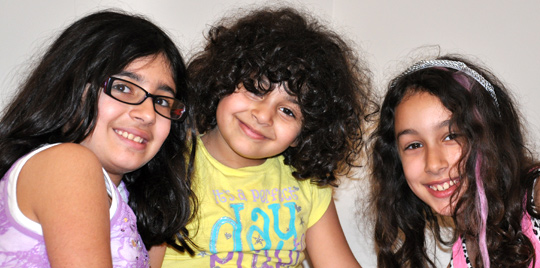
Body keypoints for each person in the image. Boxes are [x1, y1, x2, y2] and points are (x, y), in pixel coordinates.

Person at [159, 6, 373, 268]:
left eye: (287, 111)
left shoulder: (306, 185)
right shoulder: (168, 166)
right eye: (256, 89)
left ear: (304, 133)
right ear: (222, 82)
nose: (263, 115)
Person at [0, 10, 196, 267]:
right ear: (71, 86)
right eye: (123, 88)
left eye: (161, 101)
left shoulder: (142, 204)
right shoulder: (66, 163)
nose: (148, 114)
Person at [370, 54, 540, 268]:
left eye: (451, 136)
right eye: (414, 145)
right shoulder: (464, 250)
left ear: (491, 136)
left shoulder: (536, 195)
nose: (433, 164)